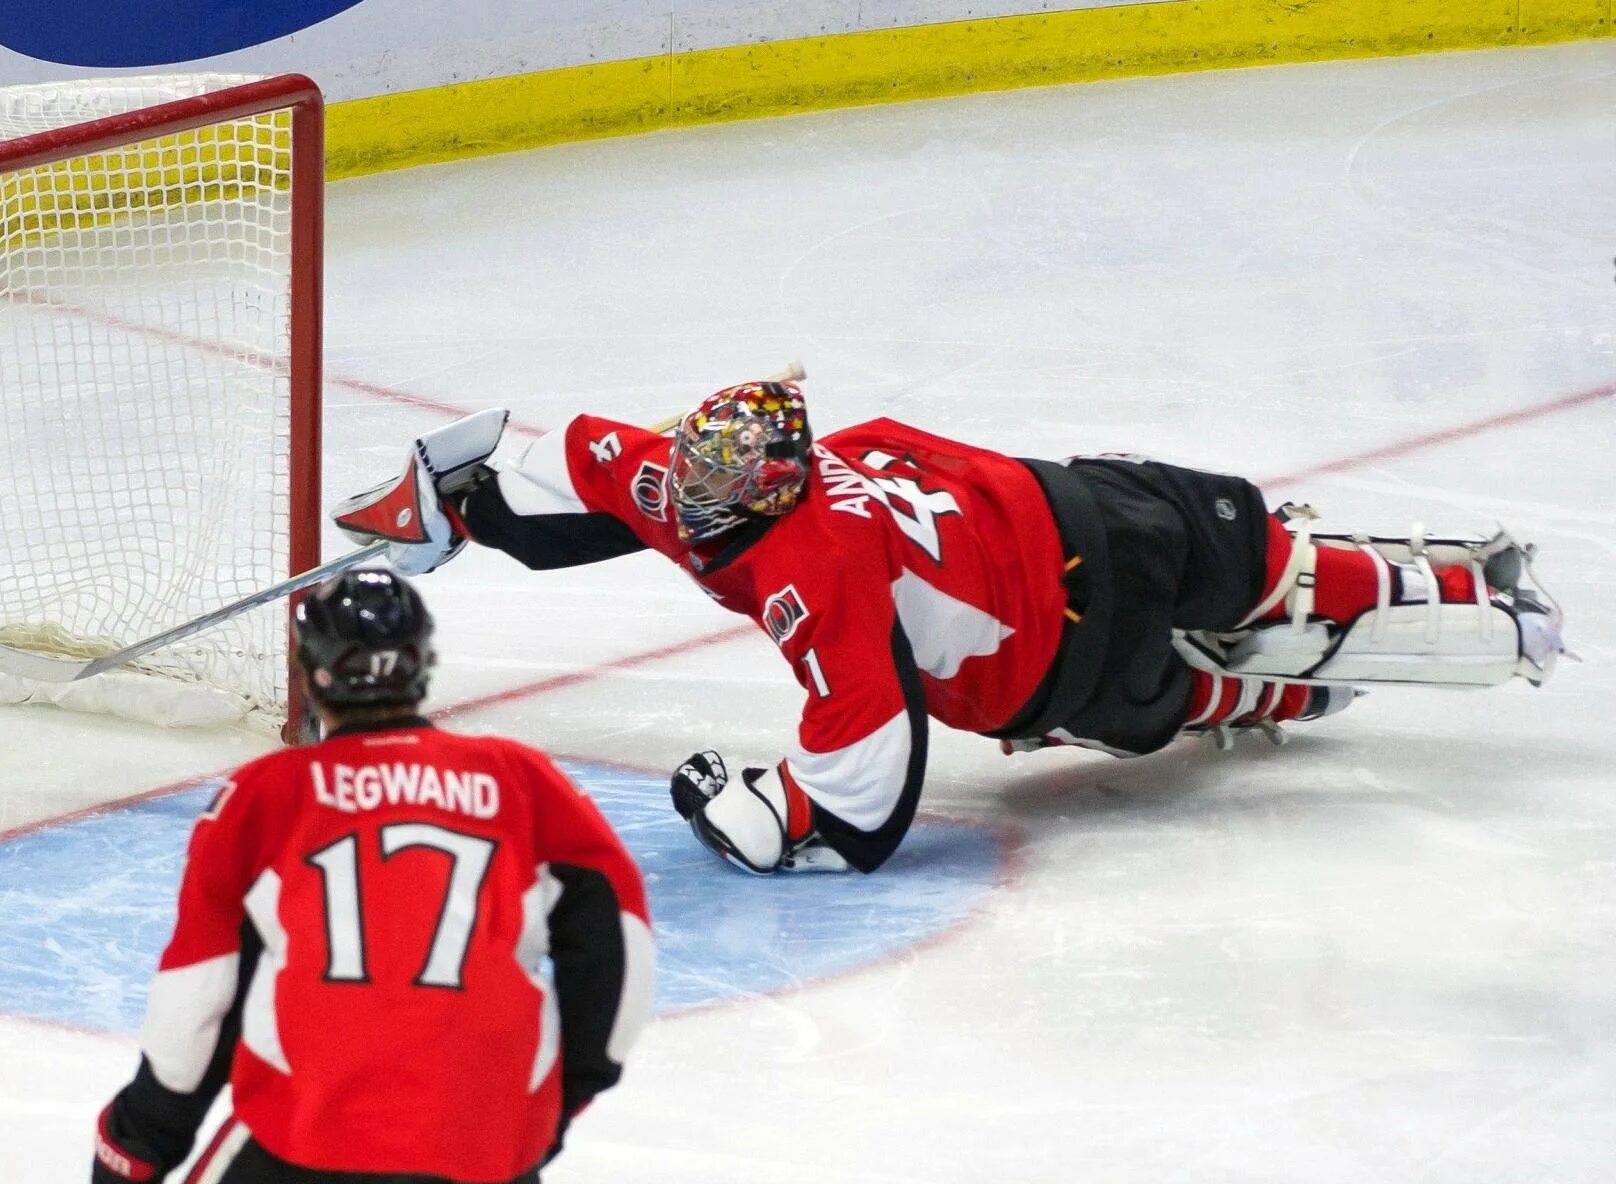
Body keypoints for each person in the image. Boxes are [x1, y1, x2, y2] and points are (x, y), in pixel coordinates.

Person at [332, 369, 1567, 878]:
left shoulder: (813, 577)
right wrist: (453, 504)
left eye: (717, 489)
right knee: (1265, 562)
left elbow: (851, 816)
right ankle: (1394, 623)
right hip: (1082, 508)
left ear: (771, 488)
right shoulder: (677, 473)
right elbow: (542, 462)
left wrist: (720, 797)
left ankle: (1326, 672)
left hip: (1053, 657)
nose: (687, 499)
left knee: (1202, 670)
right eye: (686, 474)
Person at [90, 570, 654, 1184]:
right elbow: (619, 942)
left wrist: (140, 1137)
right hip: (487, 1139)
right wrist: (557, 1100)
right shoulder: (519, 778)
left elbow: (201, 995)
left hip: (315, 1127)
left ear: (312, 673)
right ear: (420, 664)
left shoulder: (266, 795)